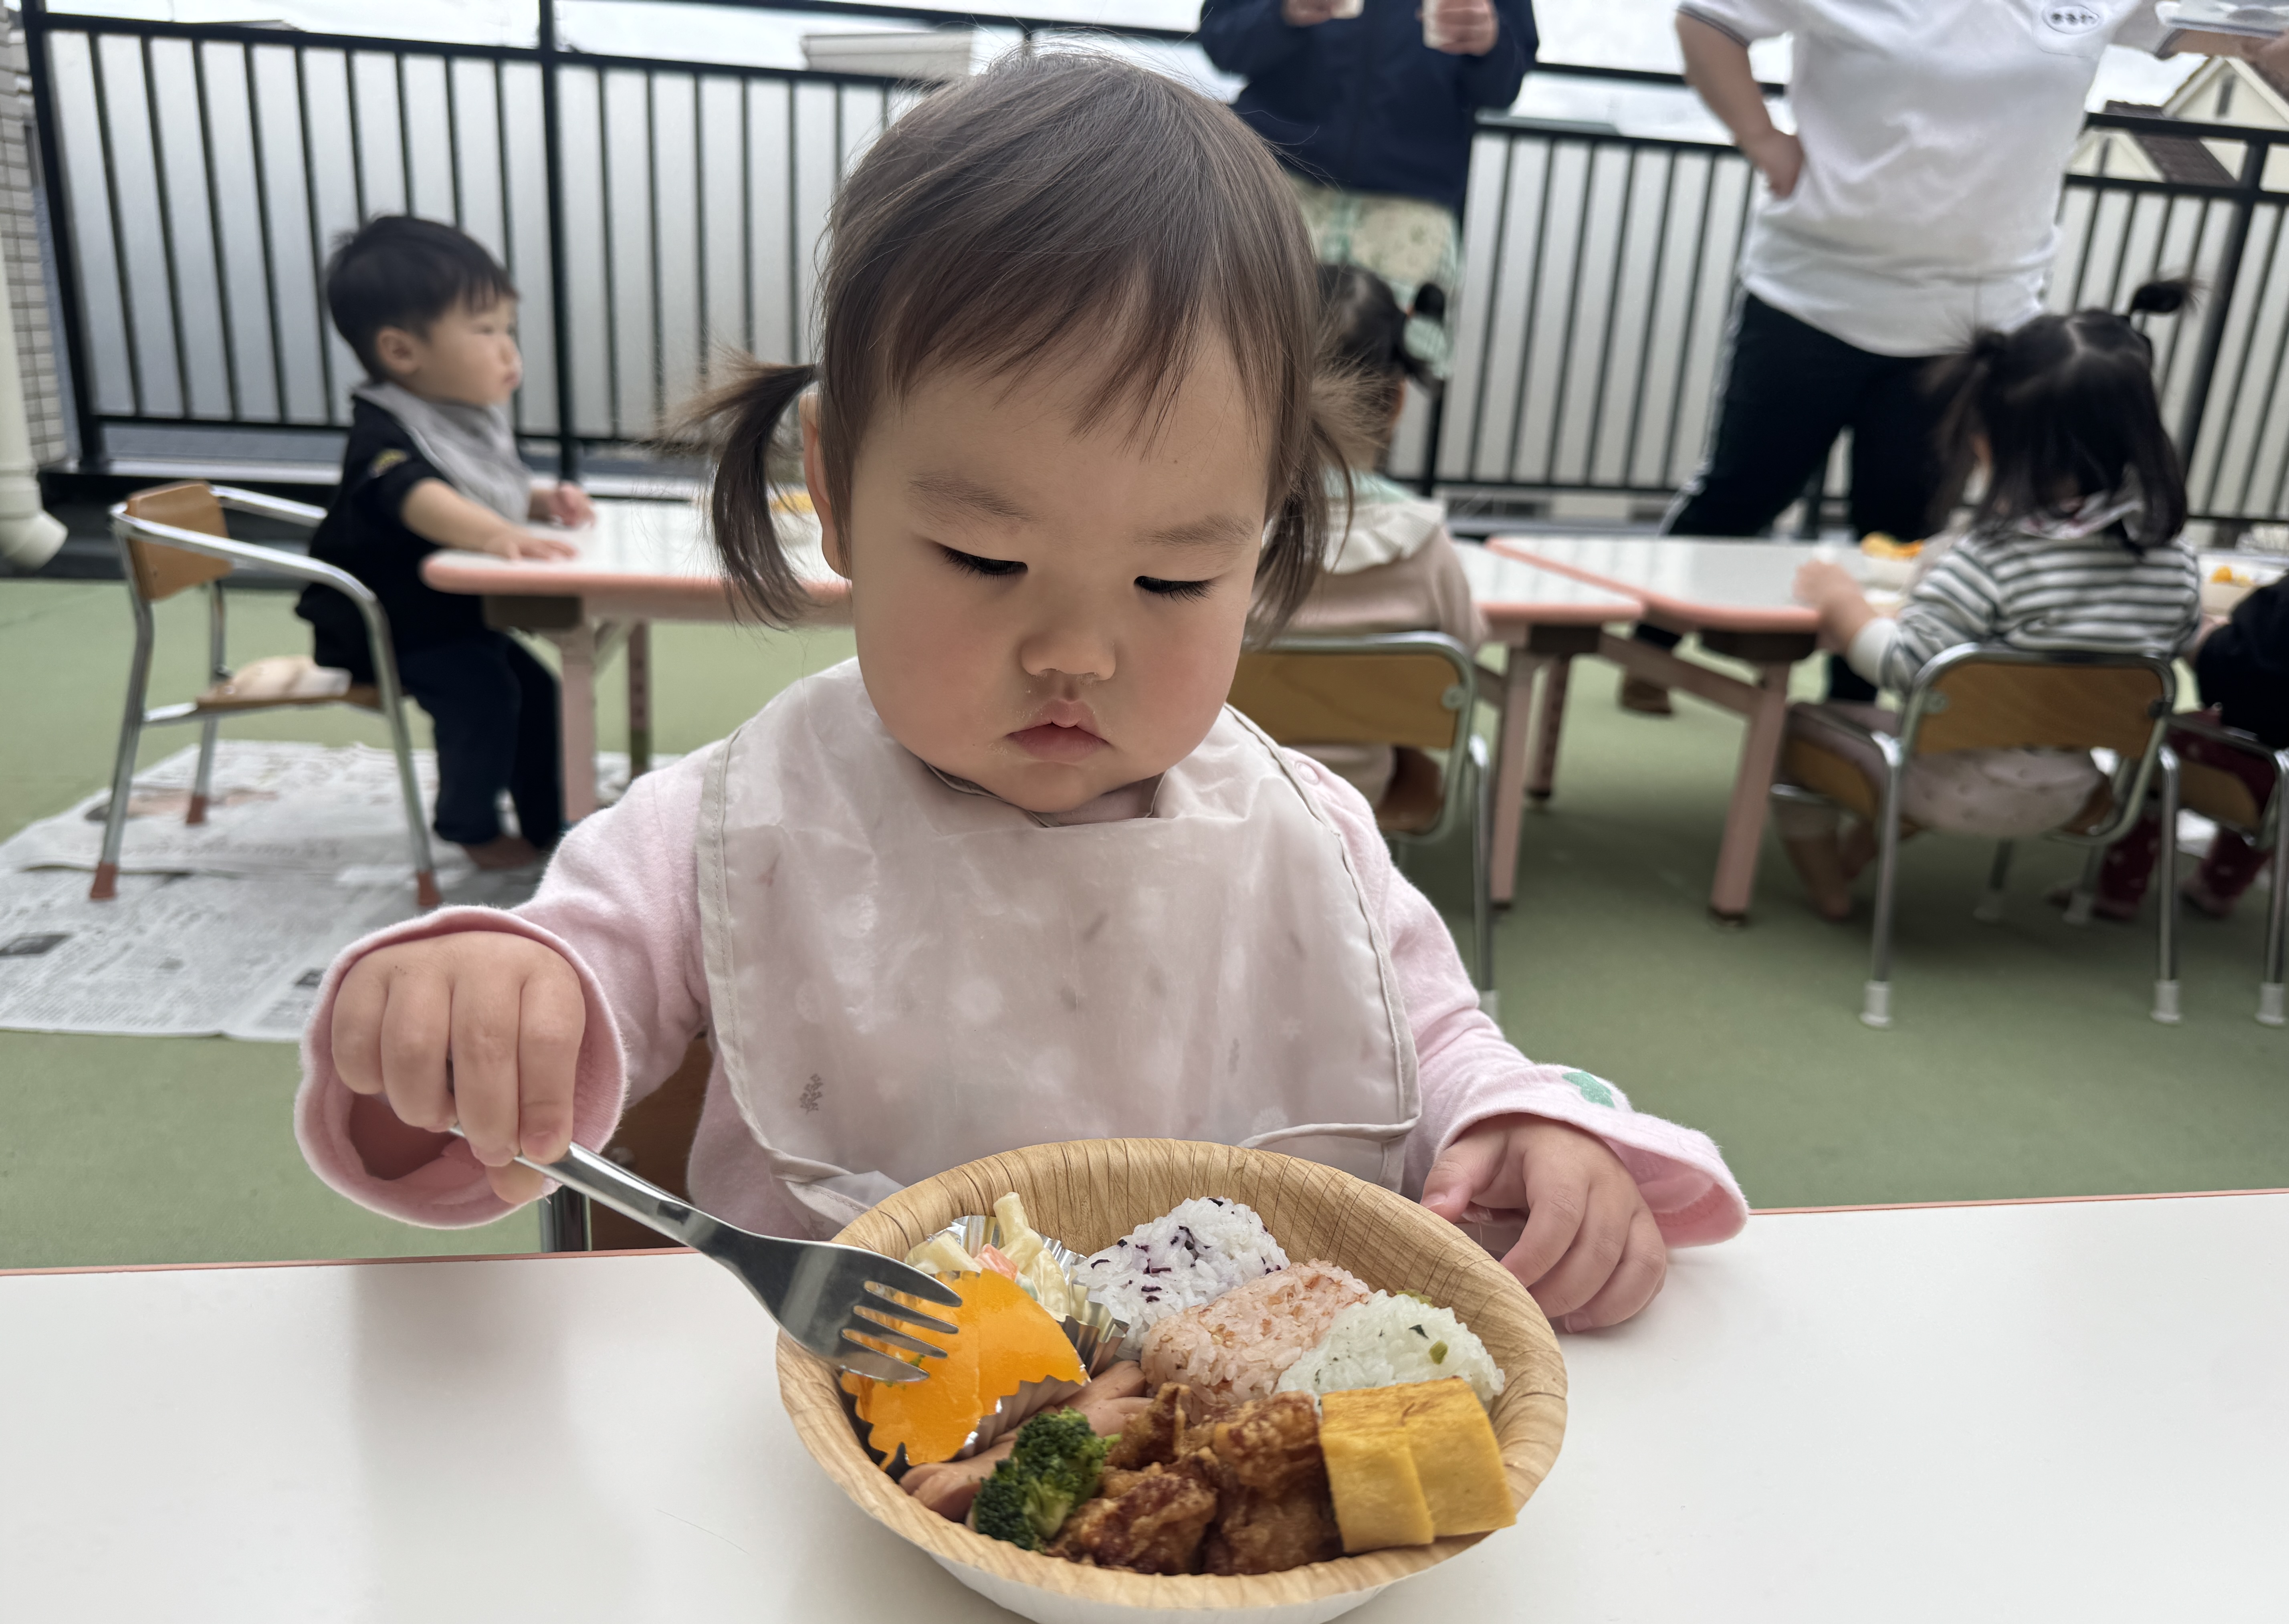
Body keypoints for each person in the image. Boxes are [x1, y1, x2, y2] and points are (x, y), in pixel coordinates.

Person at [292, 55, 1745, 1331]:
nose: (1076, 652)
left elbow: (1433, 1043)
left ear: (1262, 540)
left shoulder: (1303, 826)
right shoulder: (728, 823)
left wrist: (1525, 1131)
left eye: (1173, 581)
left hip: (1231, 1483)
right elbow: (490, 1089)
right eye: (988, 557)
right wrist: (472, 1012)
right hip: (822, 1464)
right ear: (838, 488)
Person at [1621, 1, 2289, 718]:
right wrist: (1760, 138)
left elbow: (2241, 31)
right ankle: (1648, 652)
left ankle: (1852, 714)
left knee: (1904, 524)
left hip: (1975, 323)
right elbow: (1707, 21)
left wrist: (2271, 54)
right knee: (1742, 491)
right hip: (1809, 292)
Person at [1779, 283, 2202, 920]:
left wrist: (1843, 605)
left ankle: (1830, 890)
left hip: (1948, 785)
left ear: (1988, 438)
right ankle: (1851, 862)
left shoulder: (1988, 561)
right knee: (1962, 728)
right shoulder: (2174, 564)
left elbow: (1908, 667)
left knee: (1791, 727)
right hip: (2082, 792)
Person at [299, 216, 594, 871]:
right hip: (395, 629)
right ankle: (470, 826)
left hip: (457, 619)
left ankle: (554, 820)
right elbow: (415, 493)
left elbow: (474, 484)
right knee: (487, 699)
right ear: (403, 352)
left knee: (540, 692)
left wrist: (540, 501)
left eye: (508, 329)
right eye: (485, 330)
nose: (508, 351)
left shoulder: (455, 417)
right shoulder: (384, 431)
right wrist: (497, 533)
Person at [1199, 0, 1536, 377]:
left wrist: (1489, 43)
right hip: (1275, 178)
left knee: (1368, 390)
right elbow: (1219, 38)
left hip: (1405, 209)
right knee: (1238, 364)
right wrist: (1283, 13)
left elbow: (1505, 84)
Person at [1288, 263, 1489, 805]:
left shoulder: (1215, 535)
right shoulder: (1421, 541)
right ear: (1396, 401)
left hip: (1217, 785)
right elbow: (1462, 651)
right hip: (1362, 795)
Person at [2085, 576, 2289, 921]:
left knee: (2159, 743)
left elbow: (2233, 669)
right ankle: (2218, 886)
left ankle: (2119, 889)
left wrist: (2209, 636)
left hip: (2262, 769)